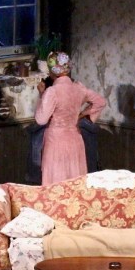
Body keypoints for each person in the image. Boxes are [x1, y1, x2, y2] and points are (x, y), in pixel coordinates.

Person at [35, 51, 106, 185]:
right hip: (75, 140)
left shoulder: (52, 91)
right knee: (74, 182)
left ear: (52, 71)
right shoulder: (79, 88)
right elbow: (100, 101)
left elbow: (41, 119)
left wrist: (41, 95)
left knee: (56, 183)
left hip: (56, 142)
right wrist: (82, 115)